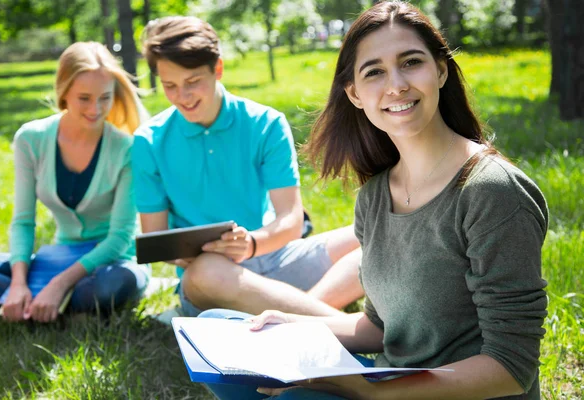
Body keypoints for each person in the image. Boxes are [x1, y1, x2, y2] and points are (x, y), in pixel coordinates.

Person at [200, 1, 549, 399]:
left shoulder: (491, 191)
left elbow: (511, 367)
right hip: (391, 382)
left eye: (411, 62)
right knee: (223, 329)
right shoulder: (375, 195)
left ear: (441, 70)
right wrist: (294, 325)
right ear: (354, 93)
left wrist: (371, 392)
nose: (396, 84)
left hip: (450, 393)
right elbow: (379, 328)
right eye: (375, 72)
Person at [133, 16, 363, 318]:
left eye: (192, 82)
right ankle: (345, 328)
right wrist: (189, 256)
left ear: (218, 69)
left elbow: (291, 220)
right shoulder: (149, 141)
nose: (182, 97)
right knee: (204, 273)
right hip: (214, 277)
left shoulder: (265, 123)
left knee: (375, 236)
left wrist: (251, 244)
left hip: (274, 255)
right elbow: (157, 239)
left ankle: (288, 316)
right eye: (170, 86)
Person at [0, 42, 151, 323]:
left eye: (104, 98)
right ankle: (33, 298)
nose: (96, 109)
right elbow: (23, 222)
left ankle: (40, 301)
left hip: (111, 263)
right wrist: (18, 281)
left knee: (113, 285)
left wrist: (60, 283)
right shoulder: (31, 139)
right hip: (56, 258)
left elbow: (120, 238)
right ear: (63, 93)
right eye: (84, 98)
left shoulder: (126, 149)